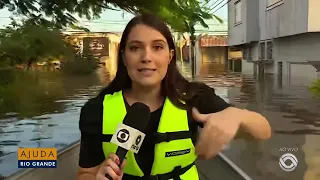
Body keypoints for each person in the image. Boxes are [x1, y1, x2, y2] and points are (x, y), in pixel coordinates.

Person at [76, 13, 271, 180]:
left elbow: (263, 131)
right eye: (135, 48)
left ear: (170, 56)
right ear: (124, 57)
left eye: (157, 47)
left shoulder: (194, 97)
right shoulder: (96, 110)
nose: (146, 56)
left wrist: (236, 115)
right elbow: (85, 173)